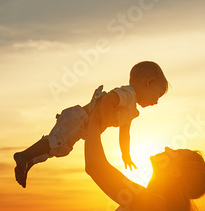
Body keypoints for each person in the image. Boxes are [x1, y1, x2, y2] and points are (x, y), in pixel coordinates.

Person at [14, 61, 169, 188]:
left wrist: (125, 154)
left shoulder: (131, 110)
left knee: (59, 149)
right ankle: (23, 156)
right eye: (158, 95)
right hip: (78, 118)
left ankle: (29, 162)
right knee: (56, 143)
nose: (156, 102)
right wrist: (104, 121)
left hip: (81, 126)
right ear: (149, 82)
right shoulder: (129, 94)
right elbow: (108, 99)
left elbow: (125, 133)